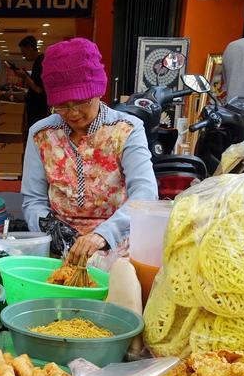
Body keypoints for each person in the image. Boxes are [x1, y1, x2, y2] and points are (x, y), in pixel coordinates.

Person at [21, 38, 158, 260]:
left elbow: (145, 193)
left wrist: (102, 235)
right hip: (59, 247)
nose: (73, 112)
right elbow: (32, 200)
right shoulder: (41, 134)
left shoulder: (126, 129)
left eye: (82, 101)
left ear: (98, 92)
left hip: (116, 244)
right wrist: (55, 231)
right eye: (62, 105)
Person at [7, 35, 48, 129]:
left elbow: (38, 89)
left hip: (38, 108)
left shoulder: (40, 62)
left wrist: (25, 76)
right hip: (36, 108)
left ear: (30, 48)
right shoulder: (39, 62)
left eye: (24, 52)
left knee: (36, 132)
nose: (23, 55)